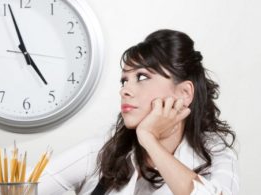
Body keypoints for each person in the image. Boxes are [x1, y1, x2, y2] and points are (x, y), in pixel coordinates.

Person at [38, 29, 239, 195]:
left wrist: (149, 139)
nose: (124, 89)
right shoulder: (101, 151)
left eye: (142, 77)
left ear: (184, 93)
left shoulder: (216, 154)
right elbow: (19, 188)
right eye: (124, 80)